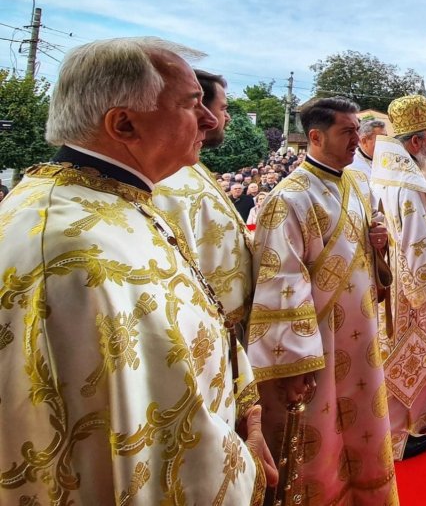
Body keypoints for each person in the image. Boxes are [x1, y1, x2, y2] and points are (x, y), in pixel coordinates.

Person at [0, 37, 270, 502]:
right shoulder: (70, 250)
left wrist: (248, 416)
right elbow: (104, 443)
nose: (209, 119)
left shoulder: (121, 200)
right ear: (123, 123)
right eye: (191, 105)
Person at [247, 97, 398, 502]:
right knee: (325, 435)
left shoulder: (357, 184)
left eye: (357, 131)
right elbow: (281, 281)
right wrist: (295, 361)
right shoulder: (289, 198)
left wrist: (378, 245)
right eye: (347, 132)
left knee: (364, 419)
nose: (357, 140)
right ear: (315, 136)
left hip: (361, 334)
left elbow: (366, 254)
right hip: (320, 345)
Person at [372, 95, 426, 460]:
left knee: (412, 348)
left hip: (397, 277)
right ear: (416, 142)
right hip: (410, 289)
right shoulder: (406, 181)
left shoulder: (389, 170)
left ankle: (424, 413)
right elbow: (415, 237)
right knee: (405, 349)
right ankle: (396, 436)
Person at [152, 69, 254, 331]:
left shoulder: (190, 167)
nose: (224, 117)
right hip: (198, 326)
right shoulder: (166, 179)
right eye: (223, 108)